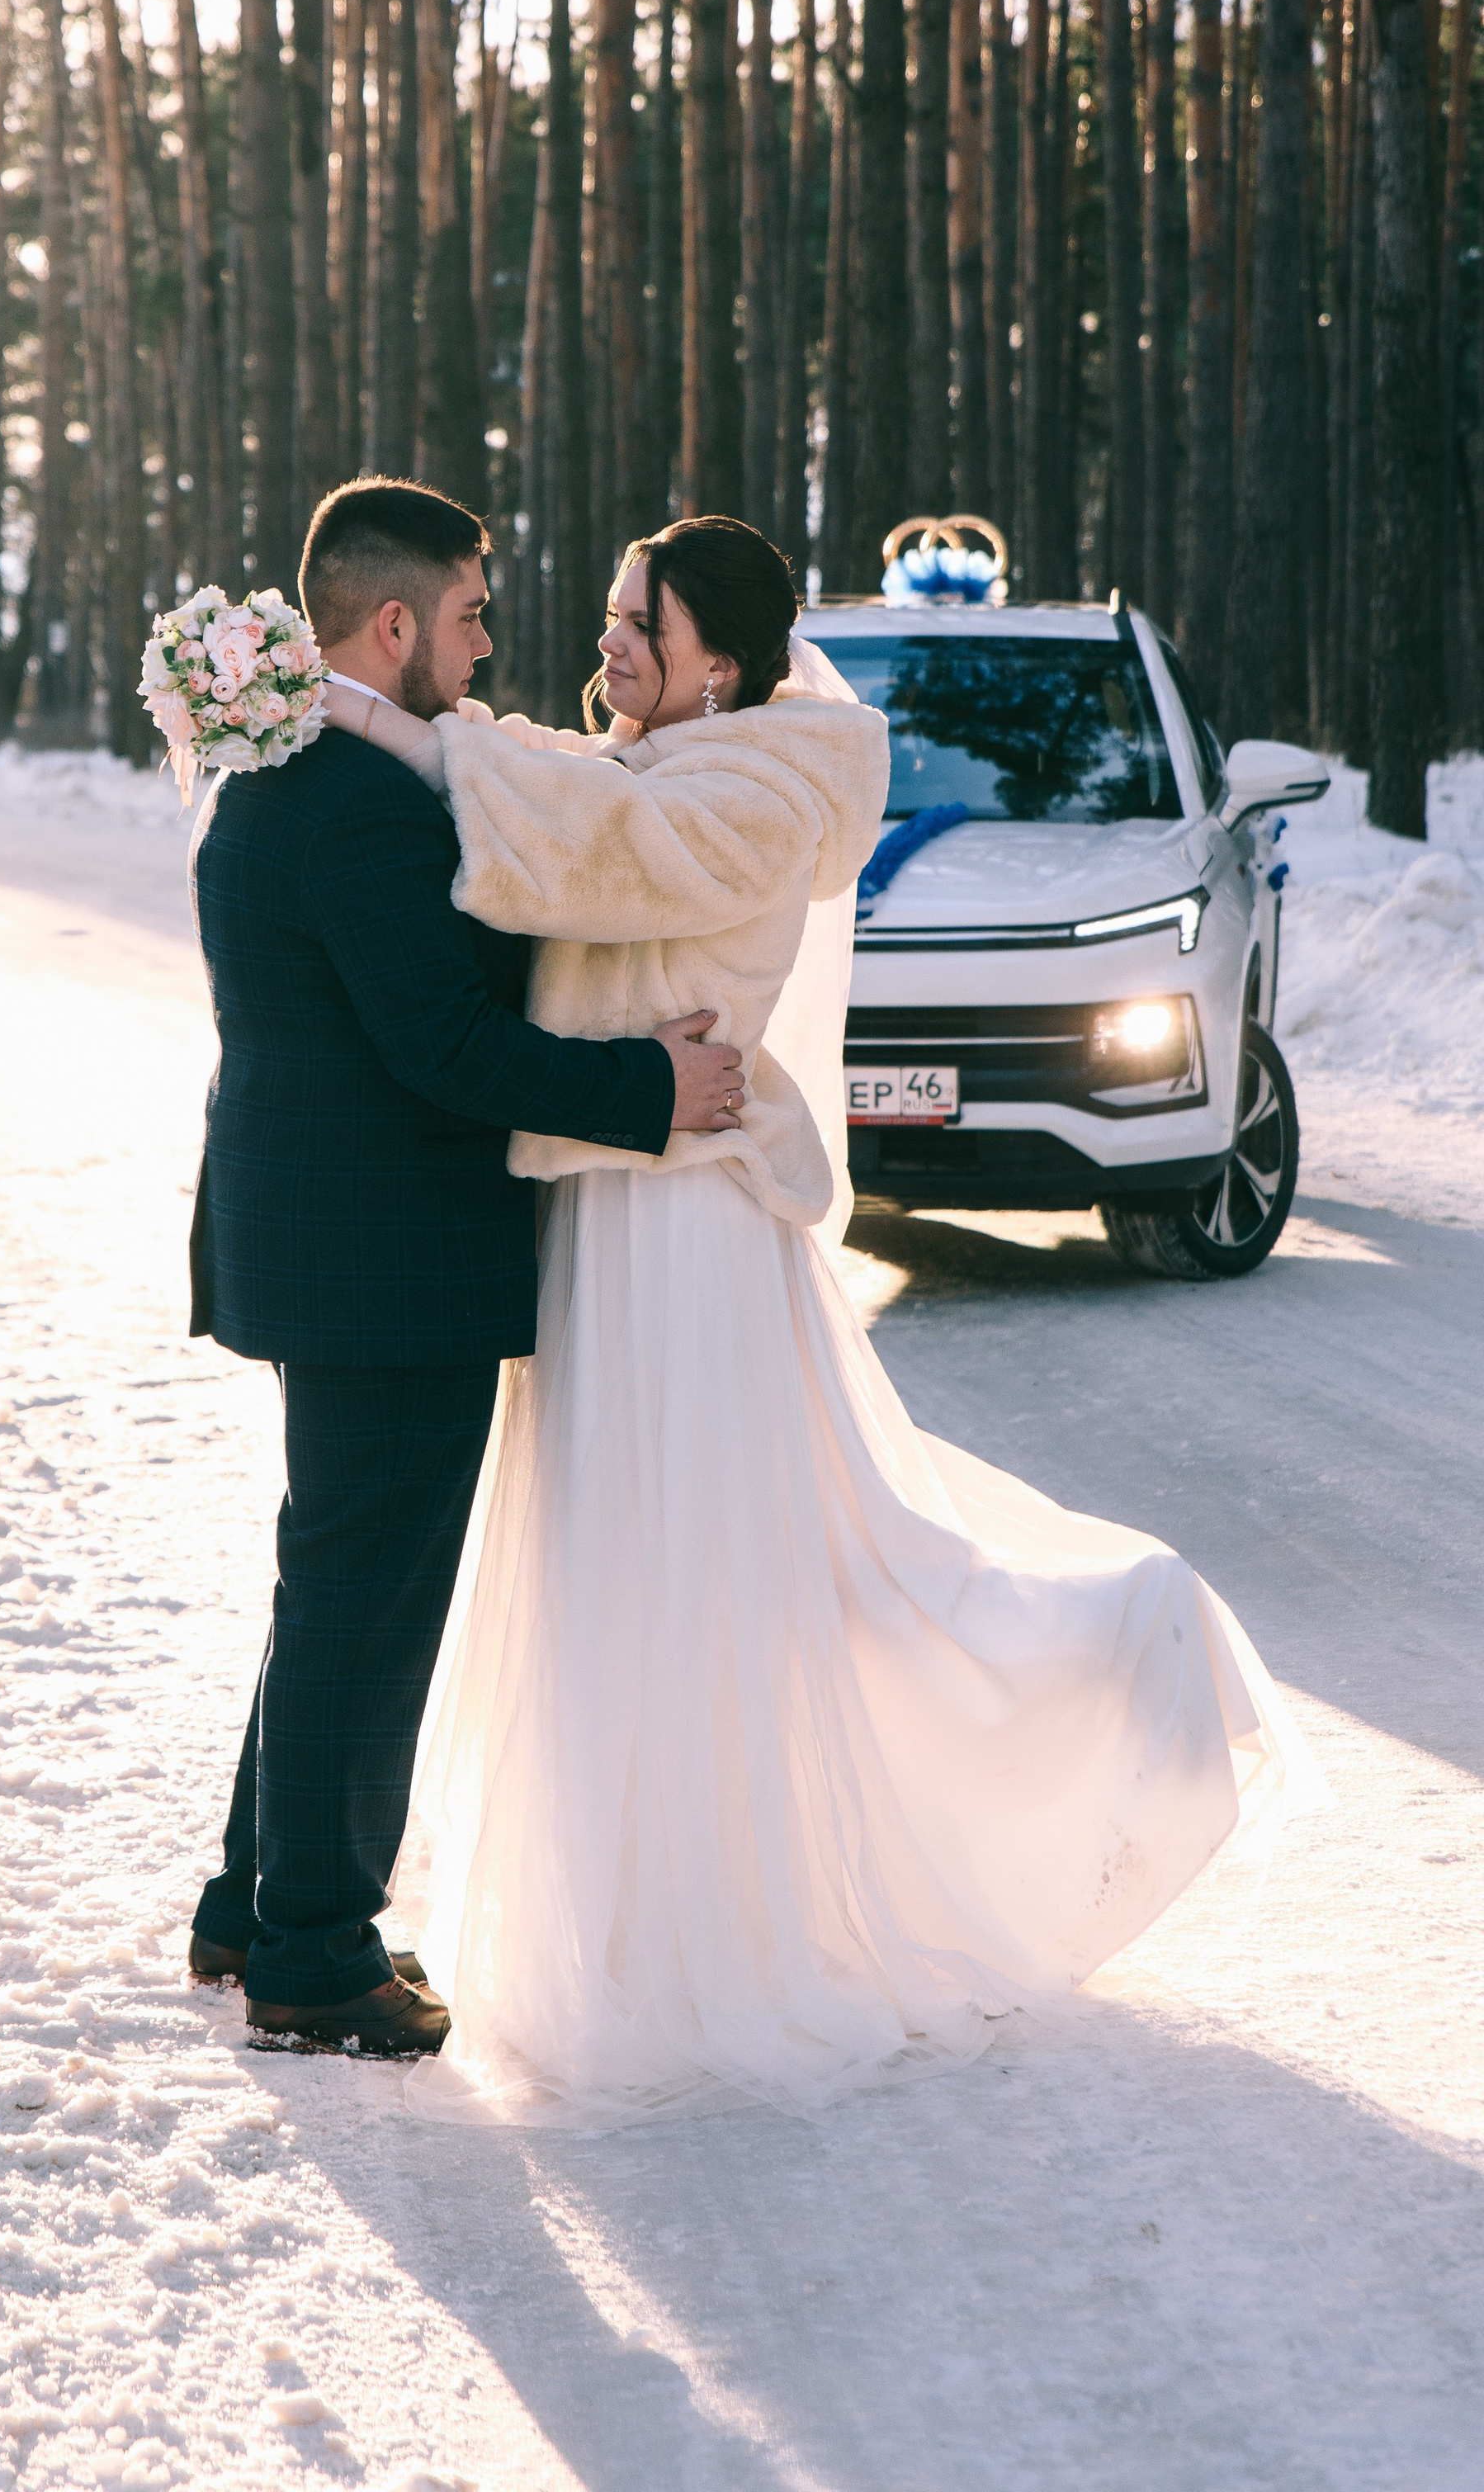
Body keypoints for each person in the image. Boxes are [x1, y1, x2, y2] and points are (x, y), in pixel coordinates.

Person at [324, 512, 1312, 2121]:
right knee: (606, 1559)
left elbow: (573, 844)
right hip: (600, 1205)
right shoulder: (626, 764)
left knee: (710, 1563)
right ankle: (630, 1910)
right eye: (611, 609)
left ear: (722, 654)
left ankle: (1102, 1670)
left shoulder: (774, 784)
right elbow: (544, 806)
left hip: (688, 1232)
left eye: (641, 617)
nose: (608, 638)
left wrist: (386, 716)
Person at [184, 477, 749, 2057]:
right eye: (473, 614)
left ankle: (253, 1906)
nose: (491, 644)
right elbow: (444, 1044)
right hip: (385, 1265)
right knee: (368, 1606)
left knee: (335, 1588)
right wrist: (652, 1088)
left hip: (343, 1248)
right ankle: (315, 1955)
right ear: (393, 624)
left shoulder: (297, 766)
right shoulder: (356, 805)